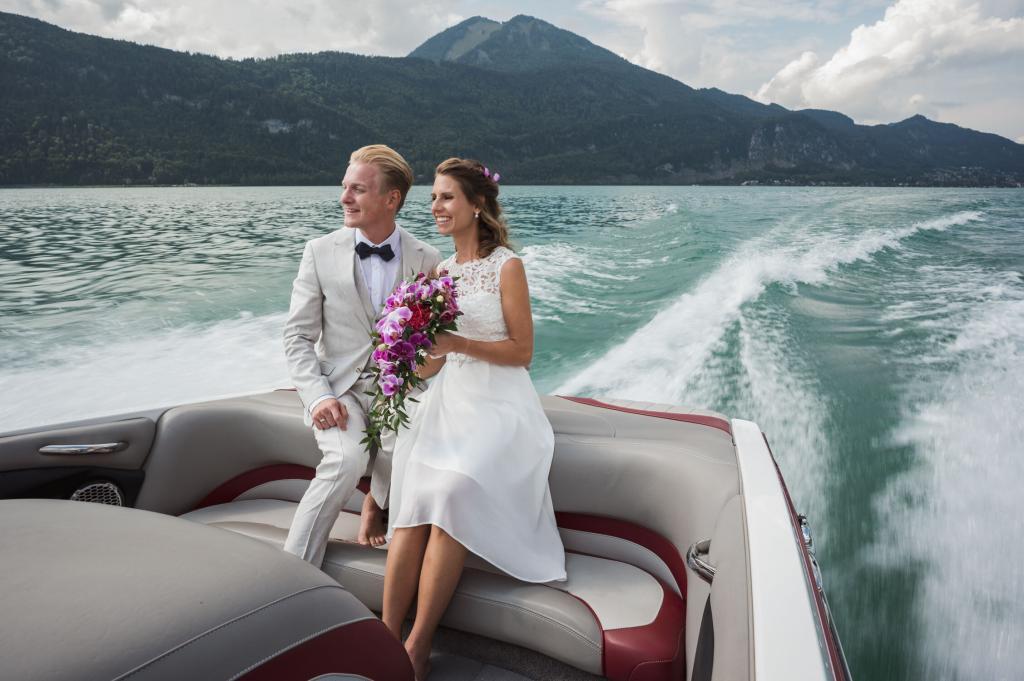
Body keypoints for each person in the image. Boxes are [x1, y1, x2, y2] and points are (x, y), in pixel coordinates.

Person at [381, 158, 567, 679]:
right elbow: (436, 359)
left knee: (453, 491)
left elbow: (522, 351)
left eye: (446, 197)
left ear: (477, 205)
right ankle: (385, 638)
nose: (435, 207)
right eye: (433, 198)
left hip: (501, 405)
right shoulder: (442, 273)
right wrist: (404, 356)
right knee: (414, 501)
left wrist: (458, 343)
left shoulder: (508, 266)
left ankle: (418, 645)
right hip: (450, 400)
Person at [283, 144, 442, 566]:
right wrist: (318, 396)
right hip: (341, 391)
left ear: (392, 198)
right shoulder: (319, 251)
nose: (344, 198)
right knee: (344, 460)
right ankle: (292, 572)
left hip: (402, 392)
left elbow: (432, 341)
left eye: (357, 189)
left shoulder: (428, 258)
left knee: (424, 450)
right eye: (344, 187)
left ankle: (382, 514)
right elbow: (297, 337)